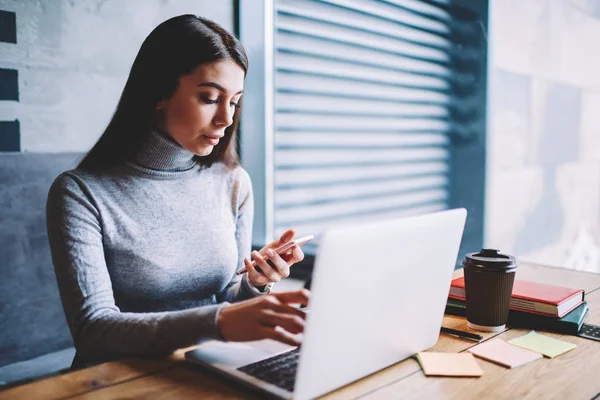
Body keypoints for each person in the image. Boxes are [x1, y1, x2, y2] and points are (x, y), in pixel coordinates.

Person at [46, 14, 310, 368]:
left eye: (234, 101)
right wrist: (216, 322)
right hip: (118, 379)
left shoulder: (233, 182)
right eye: (209, 97)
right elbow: (93, 330)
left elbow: (227, 301)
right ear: (158, 92)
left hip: (206, 367)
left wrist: (255, 284)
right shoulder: (80, 193)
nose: (226, 119)